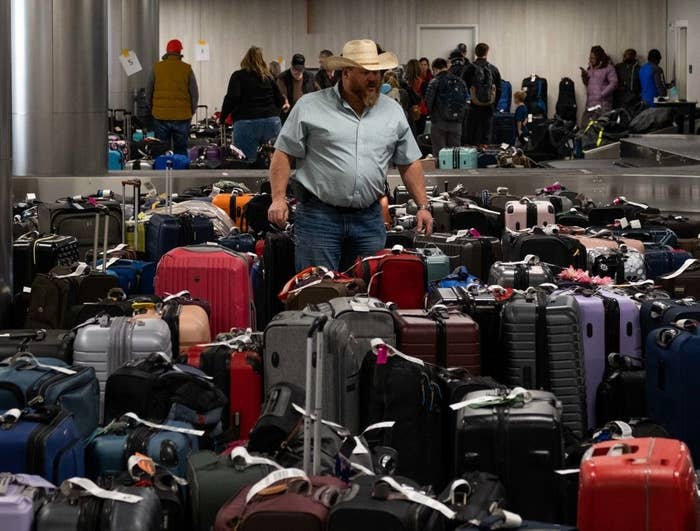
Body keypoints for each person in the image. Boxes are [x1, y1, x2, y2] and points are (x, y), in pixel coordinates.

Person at [267, 39, 433, 272]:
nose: (374, 78)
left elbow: (409, 162)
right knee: (318, 294)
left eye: (377, 72)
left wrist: (423, 205)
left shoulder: (392, 111)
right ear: (346, 73)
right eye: (365, 72)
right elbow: (284, 154)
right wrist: (278, 198)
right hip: (319, 218)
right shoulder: (310, 106)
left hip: (369, 219)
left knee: (367, 296)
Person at [220, 46, 286, 161]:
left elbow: (232, 98)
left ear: (245, 60)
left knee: (246, 163)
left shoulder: (238, 76)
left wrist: (222, 118)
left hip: (246, 123)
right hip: (271, 122)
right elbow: (280, 100)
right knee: (273, 162)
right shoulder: (269, 78)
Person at [146, 39, 198, 156]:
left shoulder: (157, 68)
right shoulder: (187, 69)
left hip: (160, 116)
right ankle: (181, 172)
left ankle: (161, 172)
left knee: (161, 150)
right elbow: (194, 94)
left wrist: (154, 109)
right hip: (182, 117)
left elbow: (148, 92)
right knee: (181, 150)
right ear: (180, 52)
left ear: (167, 52)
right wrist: (191, 111)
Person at [424, 57, 468, 155]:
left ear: (434, 69)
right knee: (455, 154)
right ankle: (454, 169)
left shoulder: (435, 81)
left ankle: (440, 170)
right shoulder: (460, 81)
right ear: (446, 67)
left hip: (439, 122)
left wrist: (432, 115)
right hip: (456, 123)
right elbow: (466, 100)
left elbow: (428, 102)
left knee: (440, 153)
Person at [463, 42, 502, 145]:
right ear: (487, 52)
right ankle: (486, 158)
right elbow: (499, 89)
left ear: (476, 53)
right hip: (489, 107)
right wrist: (494, 104)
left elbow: (462, 87)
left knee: (472, 135)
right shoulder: (493, 69)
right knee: (487, 135)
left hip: (473, 107)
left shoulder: (468, 69)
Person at [580, 45, 618, 126]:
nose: (590, 60)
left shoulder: (609, 68)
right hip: (590, 106)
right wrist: (584, 76)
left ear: (599, 57)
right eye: (590, 57)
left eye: (592, 58)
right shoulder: (590, 69)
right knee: (586, 129)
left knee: (599, 130)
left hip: (603, 107)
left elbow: (614, 83)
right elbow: (587, 84)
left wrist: (602, 94)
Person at [277, 53, 318, 121]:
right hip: (289, 116)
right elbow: (282, 94)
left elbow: (318, 92)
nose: (298, 72)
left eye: (301, 70)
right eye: (296, 69)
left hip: (307, 114)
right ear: (291, 66)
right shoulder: (283, 77)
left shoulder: (310, 76)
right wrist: (285, 102)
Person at [405, 59, 429, 134]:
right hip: (421, 112)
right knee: (419, 135)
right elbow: (426, 99)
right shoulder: (422, 83)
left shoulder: (405, 83)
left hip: (409, 112)